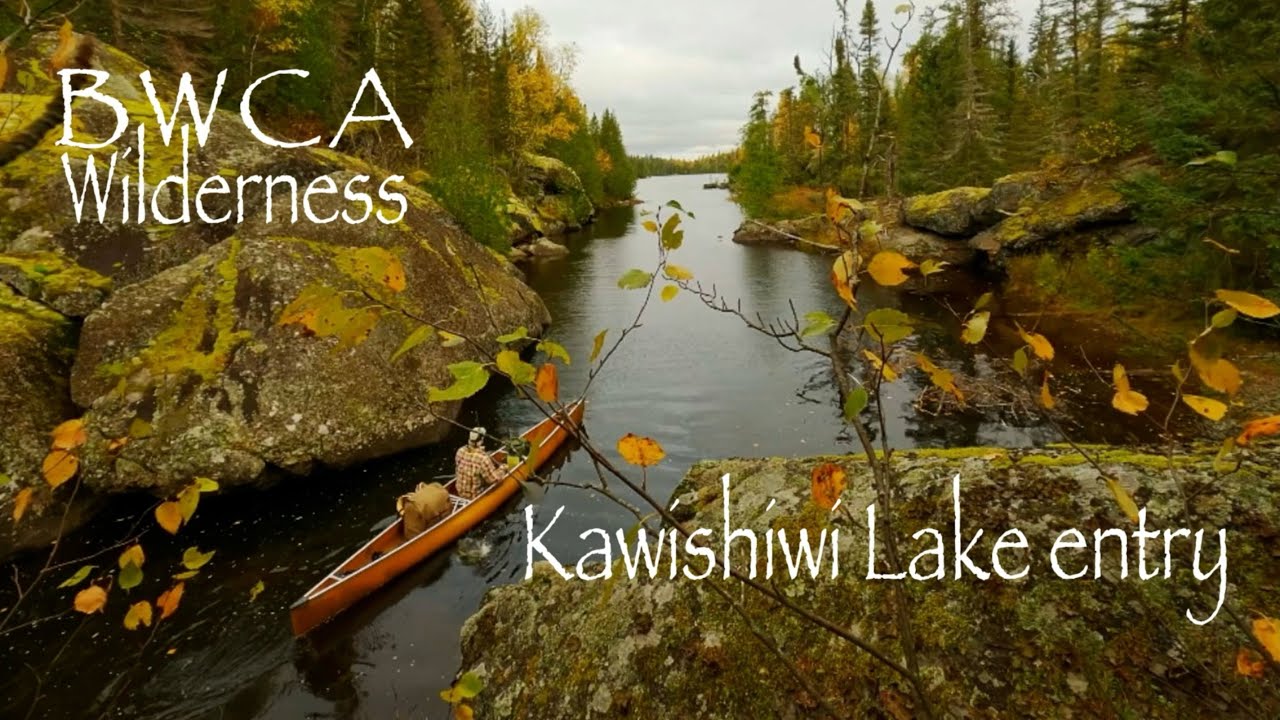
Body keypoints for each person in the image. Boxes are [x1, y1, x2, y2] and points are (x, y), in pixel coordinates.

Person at [455, 427, 505, 500]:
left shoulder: (460, 451)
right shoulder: (483, 459)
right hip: (474, 496)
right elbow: (494, 480)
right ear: (481, 440)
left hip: (460, 492)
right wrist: (503, 468)